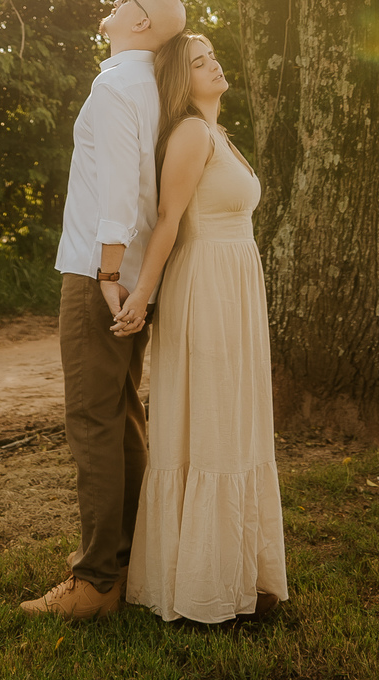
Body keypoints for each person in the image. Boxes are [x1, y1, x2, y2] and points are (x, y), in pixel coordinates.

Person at [19, 0, 186, 623]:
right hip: (135, 274)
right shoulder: (154, 87)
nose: (113, 3)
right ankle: (128, 556)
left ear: (140, 23)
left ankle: (95, 581)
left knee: (93, 418)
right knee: (121, 413)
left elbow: (120, 190)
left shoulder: (117, 86)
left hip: (101, 273)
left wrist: (108, 271)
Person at [113, 31, 288, 625]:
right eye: (198, 61)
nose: (213, 64)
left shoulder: (219, 134)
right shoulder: (190, 132)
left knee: (234, 421)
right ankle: (199, 587)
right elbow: (168, 219)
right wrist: (142, 294)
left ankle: (240, 575)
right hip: (205, 286)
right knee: (211, 421)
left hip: (234, 286)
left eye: (213, 55)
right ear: (178, 81)